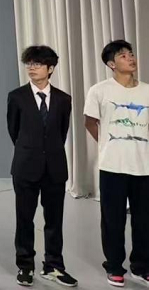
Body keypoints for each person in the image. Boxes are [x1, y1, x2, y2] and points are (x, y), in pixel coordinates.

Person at [7, 46, 77, 288]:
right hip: (25, 166)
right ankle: (25, 266)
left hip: (55, 168)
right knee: (24, 219)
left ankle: (54, 266)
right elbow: (14, 131)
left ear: (50, 68)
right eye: (29, 63)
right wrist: (31, 150)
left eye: (37, 64)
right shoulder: (16, 97)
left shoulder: (63, 99)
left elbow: (61, 132)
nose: (31, 68)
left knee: (54, 220)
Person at [84, 40, 149, 288]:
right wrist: (107, 145)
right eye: (123, 56)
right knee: (113, 220)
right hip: (112, 166)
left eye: (131, 54)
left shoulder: (146, 90)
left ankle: (141, 266)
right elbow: (90, 122)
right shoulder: (99, 91)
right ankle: (114, 266)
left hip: (144, 166)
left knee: (144, 220)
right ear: (112, 64)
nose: (130, 58)